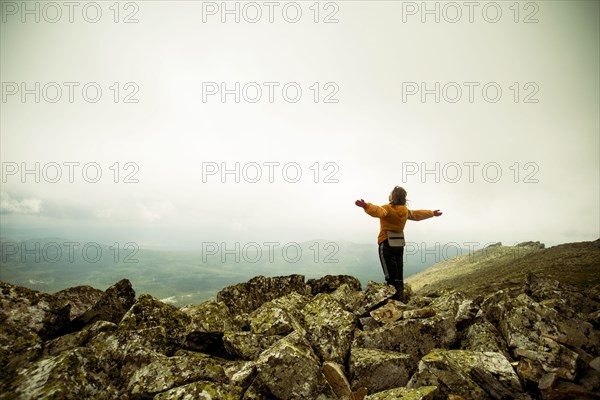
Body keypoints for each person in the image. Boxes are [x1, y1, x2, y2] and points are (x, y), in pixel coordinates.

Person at [355, 186, 442, 302]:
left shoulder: (387, 209)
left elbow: (378, 211)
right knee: (399, 273)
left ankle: (393, 301)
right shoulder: (405, 211)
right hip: (399, 245)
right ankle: (400, 298)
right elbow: (417, 215)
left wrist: (366, 206)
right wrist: (431, 213)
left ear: (393, 196)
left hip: (386, 244)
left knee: (390, 275)